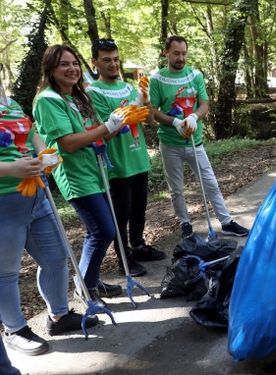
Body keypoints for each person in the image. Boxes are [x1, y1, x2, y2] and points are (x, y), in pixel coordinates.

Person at [1, 94, 98, 357]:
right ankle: (15, 330)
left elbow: (31, 133)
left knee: (56, 257)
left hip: (37, 195)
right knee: (6, 272)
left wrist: (46, 153)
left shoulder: (9, 101)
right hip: (3, 202)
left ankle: (59, 317)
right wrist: (11, 169)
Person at [33, 44, 127, 308]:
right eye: (64, 64)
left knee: (99, 230)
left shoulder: (75, 97)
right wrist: (105, 128)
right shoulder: (48, 100)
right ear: (51, 69)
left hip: (94, 171)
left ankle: (91, 280)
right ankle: (85, 287)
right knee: (102, 231)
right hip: (75, 175)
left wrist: (115, 126)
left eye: (74, 63)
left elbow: (94, 132)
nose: (72, 68)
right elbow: (69, 143)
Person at [149, 35, 249, 238]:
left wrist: (194, 116)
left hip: (195, 141)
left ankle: (226, 221)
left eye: (184, 53)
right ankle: (185, 223)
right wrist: (174, 121)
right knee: (176, 188)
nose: (181, 58)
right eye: (176, 53)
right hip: (170, 143)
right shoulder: (157, 79)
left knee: (210, 182)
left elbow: (204, 104)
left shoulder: (195, 75)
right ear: (166, 52)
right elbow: (152, 110)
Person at [87, 38, 165, 280]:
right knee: (121, 213)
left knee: (139, 208)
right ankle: (124, 257)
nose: (113, 64)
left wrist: (147, 100)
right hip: (116, 163)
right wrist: (130, 111)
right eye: (106, 60)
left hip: (138, 157)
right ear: (95, 63)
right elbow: (103, 131)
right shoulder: (93, 92)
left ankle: (138, 245)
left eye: (116, 59)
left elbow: (150, 122)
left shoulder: (130, 88)